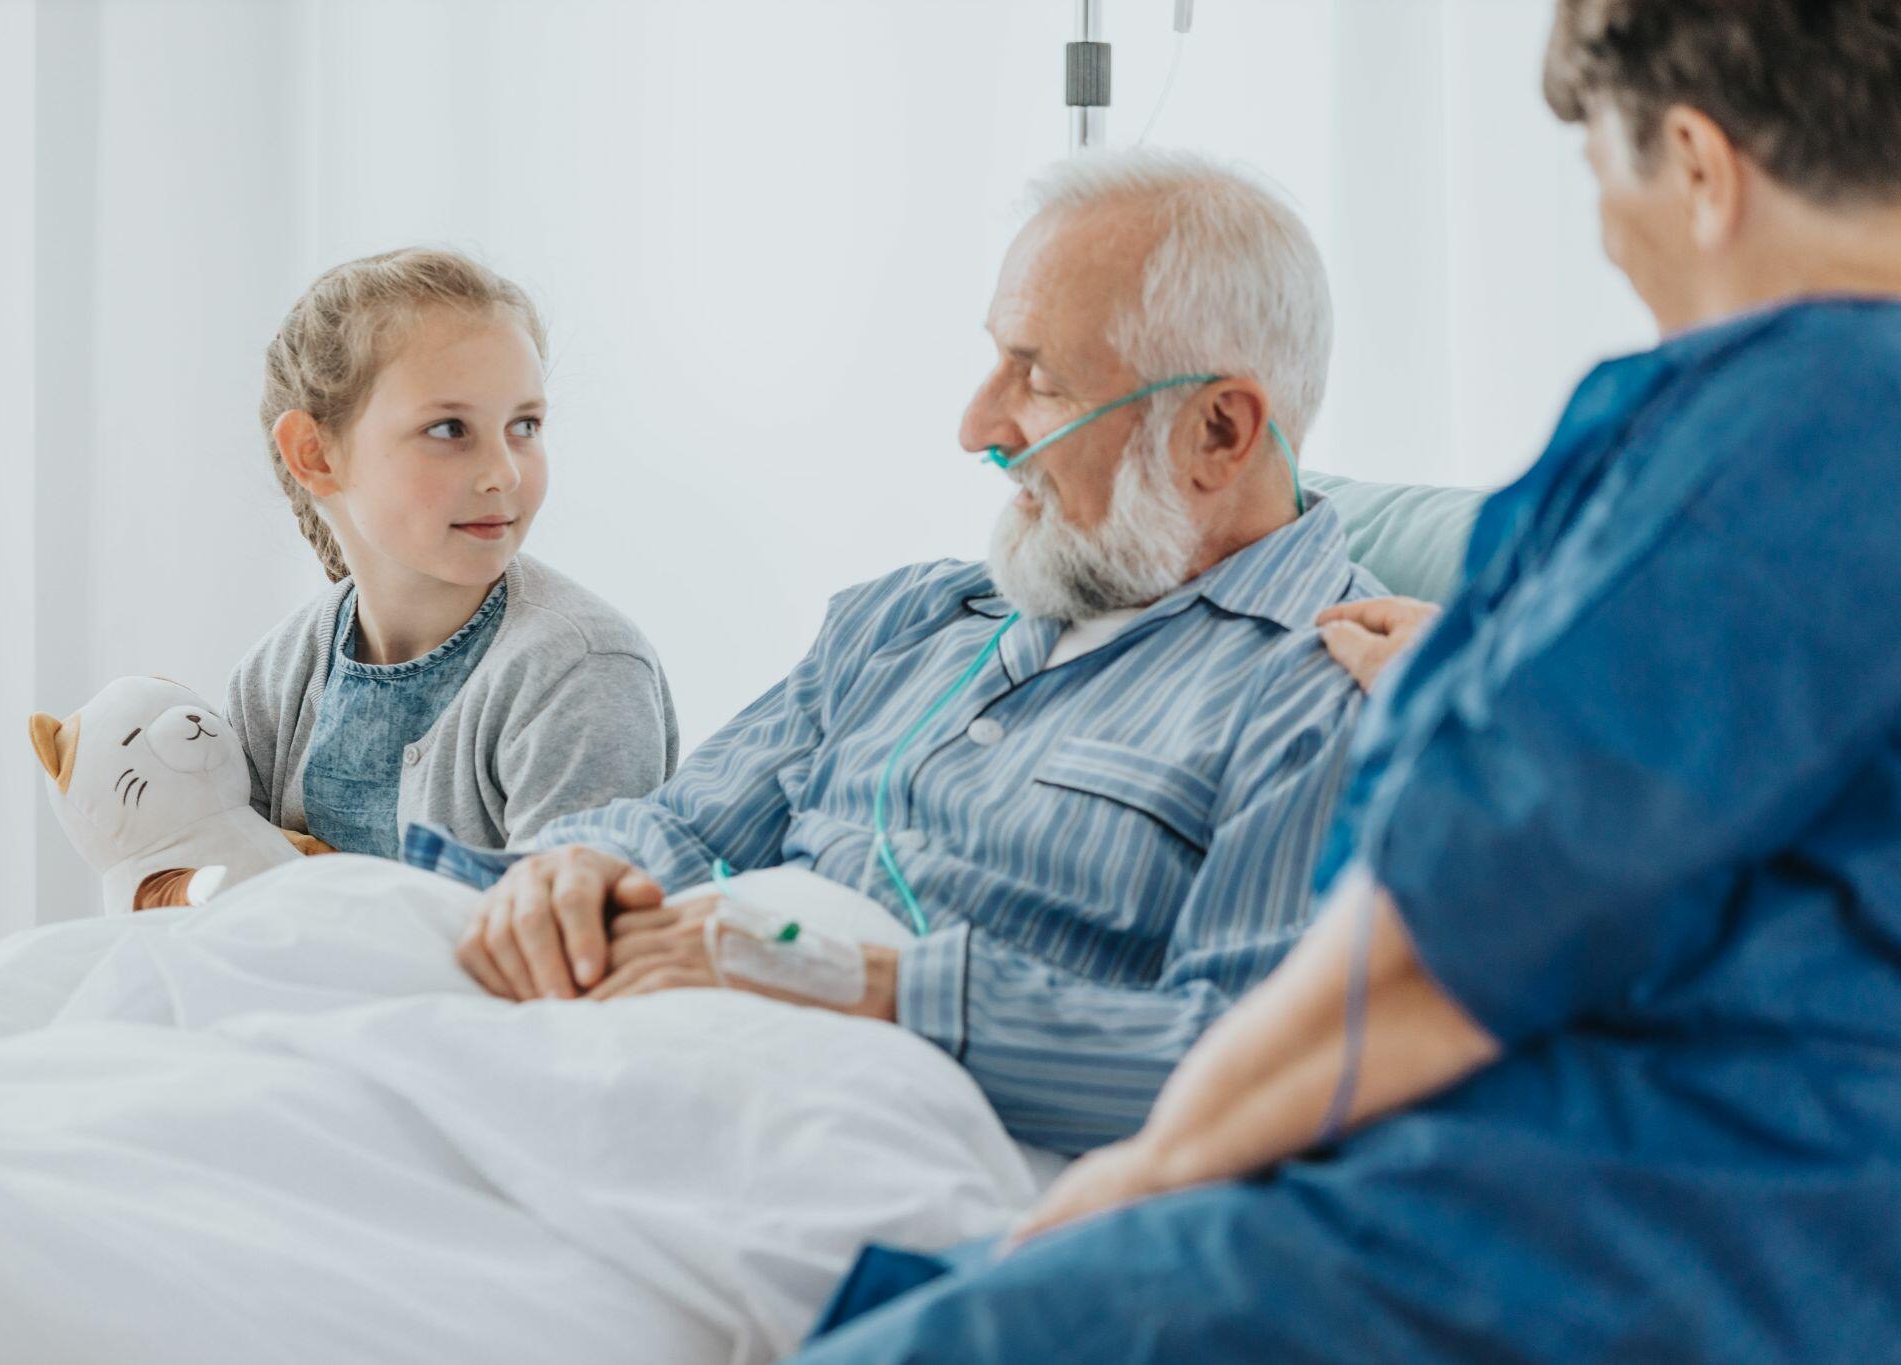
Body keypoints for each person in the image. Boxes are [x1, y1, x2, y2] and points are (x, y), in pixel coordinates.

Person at [794, 0, 1901, 1358]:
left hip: (1604, 1225)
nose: (1613, 242)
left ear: (1696, 162)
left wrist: (1144, 1174)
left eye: (1602, 181)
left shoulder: (1780, 417)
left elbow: (1453, 936)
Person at [418, 151, 1386, 1156]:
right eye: (996, 357)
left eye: (1039, 379)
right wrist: (576, 876)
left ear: (1217, 432)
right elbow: (685, 828)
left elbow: (1254, 1068)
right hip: (650, 1032)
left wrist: (841, 981)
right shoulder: (908, 616)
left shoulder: (1328, 696)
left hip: (856, 1132)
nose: (976, 426)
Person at [228, 248, 679, 859]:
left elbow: (559, 939)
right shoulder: (275, 678)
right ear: (315, 454)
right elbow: (216, 899)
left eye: (525, 426)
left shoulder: (581, 671)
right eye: (448, 429)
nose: (503, 474)